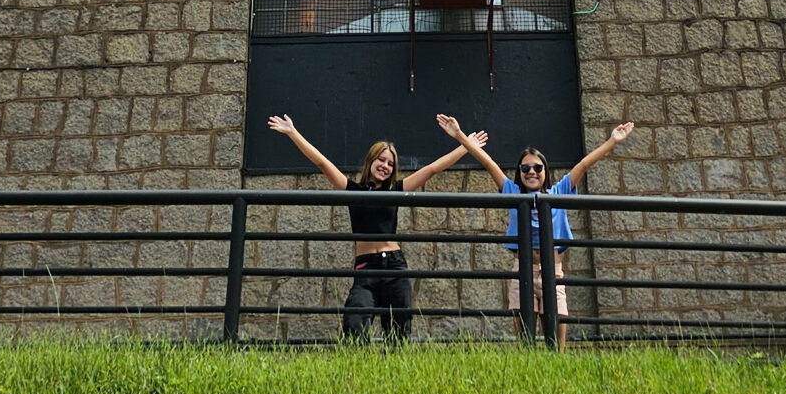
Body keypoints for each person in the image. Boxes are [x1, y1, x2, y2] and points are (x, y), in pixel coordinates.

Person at [267, 111, 486, 342]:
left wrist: (465, 144)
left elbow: (432, 169)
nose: (385, 166)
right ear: (371, 161)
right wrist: (293, 132)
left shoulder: (396, 191)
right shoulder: (352, 191)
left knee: (398, 333)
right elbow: (322, 162)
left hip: (394, 266)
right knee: (354, 325)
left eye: (390, 164)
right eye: (381, 160)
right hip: (366, 268)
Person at [446, 117, 634, 346]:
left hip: (552, 271)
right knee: (525, 342)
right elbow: (489, 164)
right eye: (525, 168)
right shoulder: (512, 192)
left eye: (537, 167)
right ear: (519, 171)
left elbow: (584, 165)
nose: (531, 172)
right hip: (522, 270)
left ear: (545, 170)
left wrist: (612, 141)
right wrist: (460, 136)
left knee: (556, 342)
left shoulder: (559, 190)